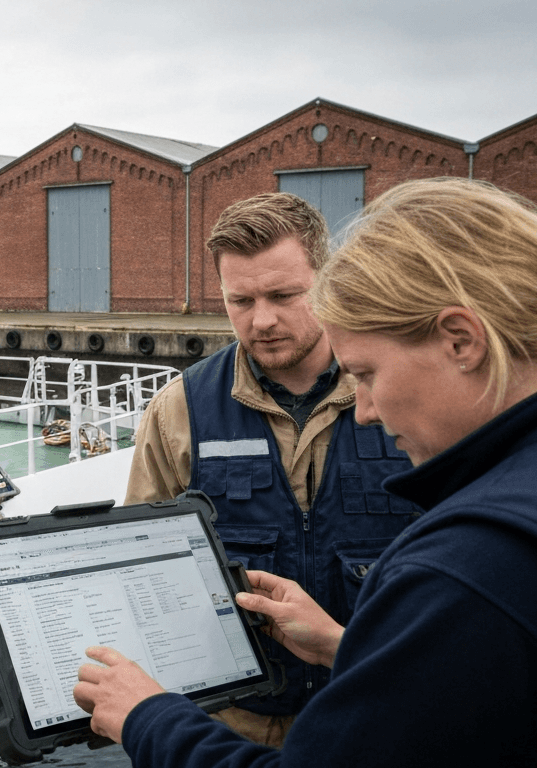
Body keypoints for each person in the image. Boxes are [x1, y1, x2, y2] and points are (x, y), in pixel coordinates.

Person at [76, 178, 537, 765]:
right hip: (256, 710)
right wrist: (340, 643)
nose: (368, 410)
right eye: (240, 300)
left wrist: (148, 716)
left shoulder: (482, 563)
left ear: (462, 340)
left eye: (370, 374)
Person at [124, 192, 417, 745]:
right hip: (231, 726)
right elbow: (142, 565)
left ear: (327, 280)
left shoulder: (402, 390)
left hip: (376, 720)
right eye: (241, 300)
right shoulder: (179, 410)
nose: (262, 320)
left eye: (284, 295)